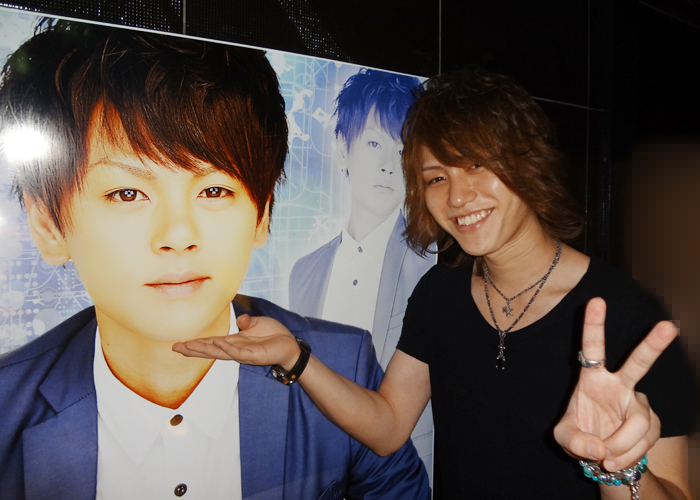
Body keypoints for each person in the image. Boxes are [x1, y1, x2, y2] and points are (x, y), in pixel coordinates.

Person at [175, 68, 697, 499]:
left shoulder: (628, 317)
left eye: (476, 164)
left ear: (527, 162)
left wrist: (614, 467)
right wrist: (296, 357)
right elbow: (387, 427)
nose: (458, 196)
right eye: (436, 177)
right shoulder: (440, 293)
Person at [0, 20, 430, 499]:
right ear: (48, 224)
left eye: (214, 190)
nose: (178, 236)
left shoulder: (342, 366)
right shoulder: (6, 409)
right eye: (127, 193)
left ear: (262, 214)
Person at [288, 68, 435, 472]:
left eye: (402, 149)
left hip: (405, 477)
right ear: (342, 148)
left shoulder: (435, 266)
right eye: (374, 143)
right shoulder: (304, 271)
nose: (389, 164)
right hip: (316, 473)